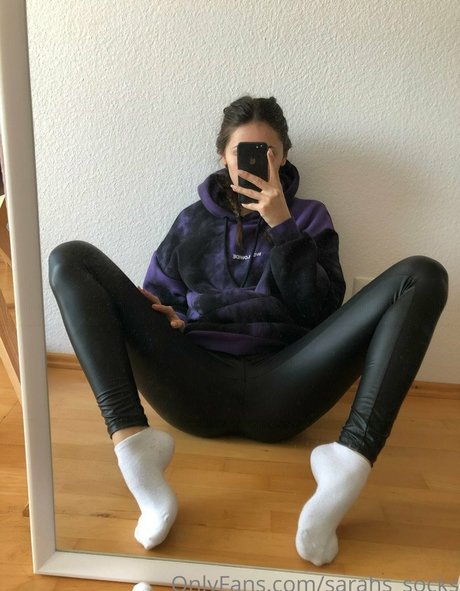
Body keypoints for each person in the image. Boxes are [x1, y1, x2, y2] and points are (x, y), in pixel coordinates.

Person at [48, 96, 448, 567]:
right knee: (69, 258)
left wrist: (283, 226)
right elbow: (161, 297)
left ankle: (348, 462)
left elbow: (321, 312)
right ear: (223, 156)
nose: (258, 162)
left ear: (284, 155)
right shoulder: (191, 221)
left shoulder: (310, 217)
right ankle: (135, 448)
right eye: (244, 152)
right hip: (194, 384)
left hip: (286, 386)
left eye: (269, 152)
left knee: (424, 274)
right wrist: (168, 315)